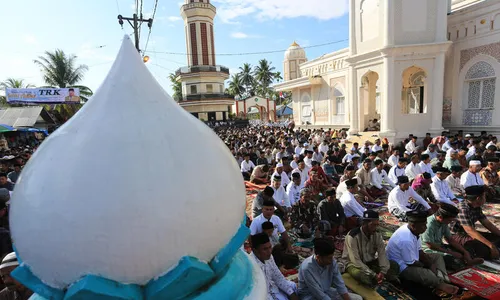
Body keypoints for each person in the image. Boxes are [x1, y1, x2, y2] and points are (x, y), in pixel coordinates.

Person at [386, 211, 459, 295]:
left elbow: (419, 251)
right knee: (427, 274)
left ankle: (442, 278)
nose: (425, 227)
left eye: (425, 224)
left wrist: (430, 263)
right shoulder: (406, 240)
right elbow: (412, 263)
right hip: (401, 266)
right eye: (423, 225)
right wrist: (428, 266)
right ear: (413, 226)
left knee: (437, 256)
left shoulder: (414, 231)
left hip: (412, 258)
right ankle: (440, 284)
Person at [341, 210, 399, 287]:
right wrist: (373, 274)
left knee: (394, 265)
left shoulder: (377, 234)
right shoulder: (353, 236)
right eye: (373, 225)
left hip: (369, 262)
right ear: (365, 224)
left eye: (377, 225)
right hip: (354, 264)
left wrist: (383, 271)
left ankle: (383, 279)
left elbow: (382, 254)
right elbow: (356, 260)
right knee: (363, 276)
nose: (376, 228)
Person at [421, 203, 483, 270]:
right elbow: (430, 245)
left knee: (466, 249)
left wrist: (465, 251)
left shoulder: (443, 222)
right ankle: (464, 262)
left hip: (440, 247)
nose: (450, 222)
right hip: (430, 251)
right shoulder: (429, 224)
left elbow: (450, 239)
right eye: (449, 220)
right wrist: (451, 253)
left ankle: (469, 260)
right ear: (440, 217)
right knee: (452, 259)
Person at [298, 238, 362, 300]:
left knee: (358, 298)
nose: (332, 260)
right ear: (318, 257)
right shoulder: (307, 268)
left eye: (332, 256)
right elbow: (318, 294)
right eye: (329, 258)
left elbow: (340, 284)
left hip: (327, 291)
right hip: (310, 296)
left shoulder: (332, 262)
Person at [450, 185, 500, 260]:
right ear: (478, 198)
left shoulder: (476, 206)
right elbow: (470, 231)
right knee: (485, 248)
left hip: (468, 234)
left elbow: (487, 224)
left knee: (497, 238)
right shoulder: (463, 209)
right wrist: (491, 246)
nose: (485, 198)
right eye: (484, 196)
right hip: (456, 235)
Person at [250, 233, 299, 300]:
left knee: (293, 287)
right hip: (263, 295)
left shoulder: (269, 257)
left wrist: (291, 293)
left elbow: (277, 276)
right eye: (265, 249)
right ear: (255, 250)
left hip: (273, 288)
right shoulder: (251, 265)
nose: (269, 251)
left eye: (270, 247)